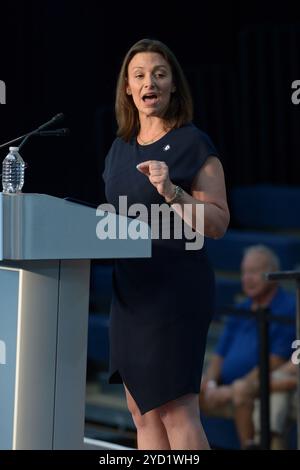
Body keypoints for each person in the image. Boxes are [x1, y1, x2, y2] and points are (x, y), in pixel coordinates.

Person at [102, 38, 230, 450]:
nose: (148, 81)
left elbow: (218, 223)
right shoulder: (118, 150)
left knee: (177, 412)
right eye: (138, 75)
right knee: (142, 413)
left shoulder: (194, 144)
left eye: (159, 73)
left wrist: (174, 193)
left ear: (174, 85)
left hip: (176, 292)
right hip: (131, 293)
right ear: (127, 88)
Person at [200, 245, 296, 449]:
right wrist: (210, 384)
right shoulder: (242, 308)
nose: (246, 278)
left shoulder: (287, 308)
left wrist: (231, 389)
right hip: (228, 385)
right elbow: (219, 355)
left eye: (253, 272)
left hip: (261, 383)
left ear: (272, 273)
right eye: (244, 272)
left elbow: (276, 360)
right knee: (187, 390)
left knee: (243, 392)